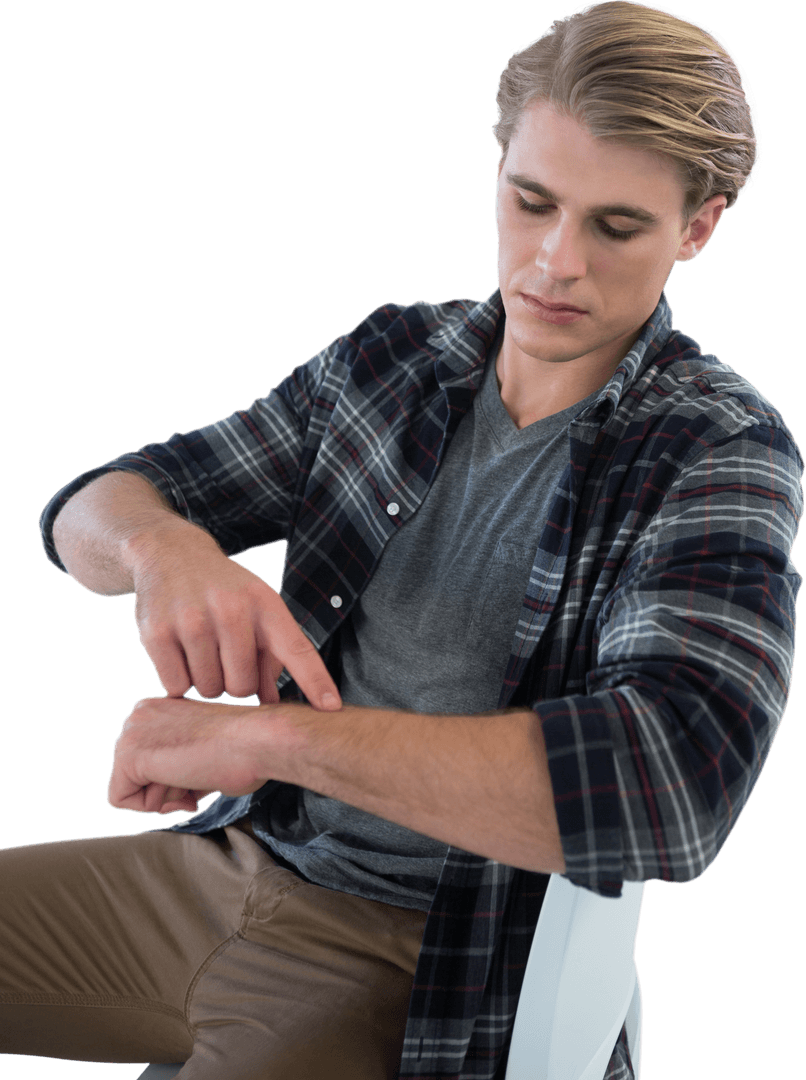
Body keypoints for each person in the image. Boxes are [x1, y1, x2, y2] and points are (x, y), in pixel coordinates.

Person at [2, 1, 802, 1077]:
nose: (555, 261)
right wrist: (162, 551)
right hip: (229, 866)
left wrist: (273, 741)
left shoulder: (716, 448)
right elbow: (91, 506)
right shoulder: (391, 359)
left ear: (697, 227)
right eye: (531, 201)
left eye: (615, 227)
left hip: (430, 957)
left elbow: (670, 784)